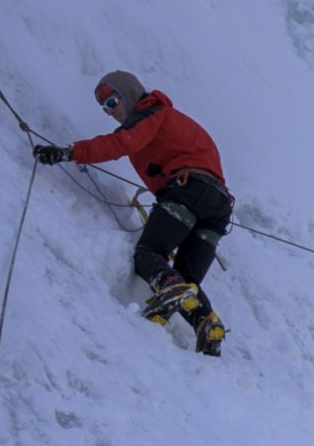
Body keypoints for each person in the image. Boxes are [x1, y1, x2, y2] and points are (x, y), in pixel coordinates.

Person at [34, 71, 232, 355]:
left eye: (112, 102)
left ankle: (167, 291)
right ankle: (207, 324)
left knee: (149, 254)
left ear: (129, 94)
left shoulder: (152, 114)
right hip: (218, 207)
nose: (110, 111)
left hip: (186, 190)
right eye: (105, 108)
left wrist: (70, 152)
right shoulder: (177, 122)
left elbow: (121, 143)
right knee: (187, 278)